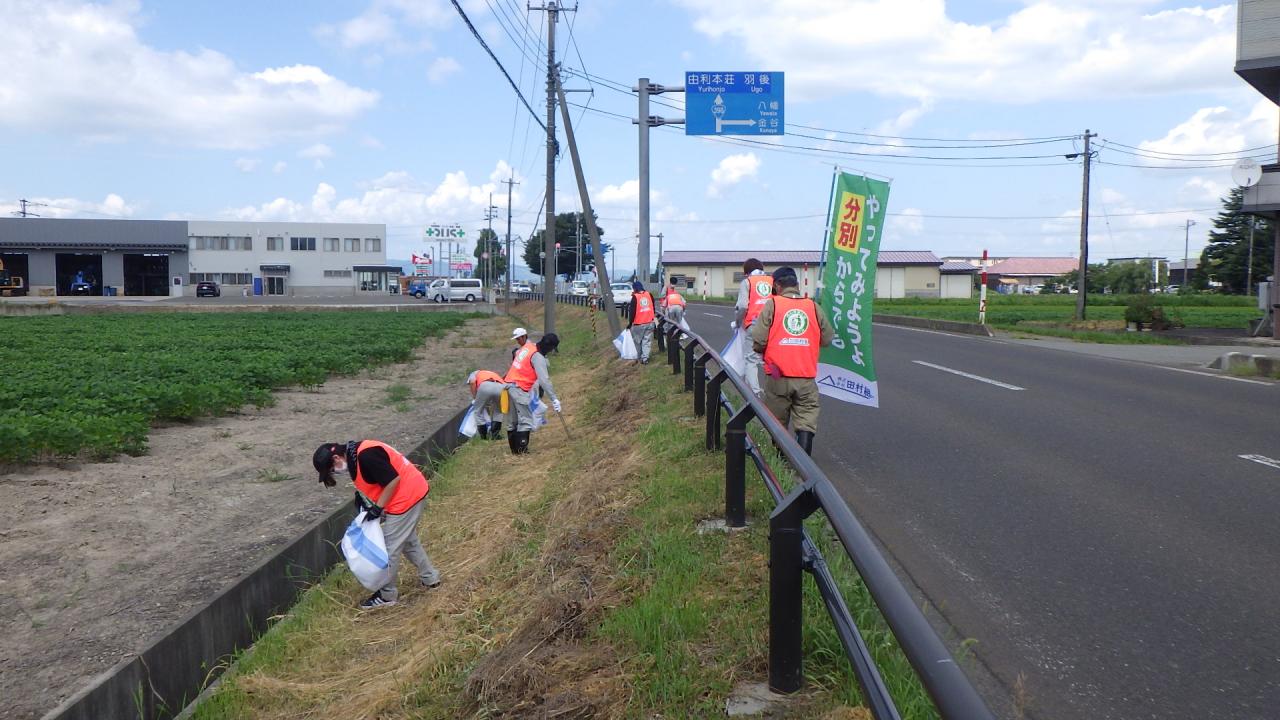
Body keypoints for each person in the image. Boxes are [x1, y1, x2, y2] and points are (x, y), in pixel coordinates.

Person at [313, 440, 441, 609]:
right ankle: (430, 578)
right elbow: (374, 480)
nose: (334, 473)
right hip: (409, 494)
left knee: (389, 549)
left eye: (331, 470)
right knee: (408, 541)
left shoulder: (366, 455)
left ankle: (387, 595)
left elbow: (393, 480)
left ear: (336, 457)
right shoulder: (354, 456)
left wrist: (377, 508)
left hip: (407, 498)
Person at [749, 266, 833, 455]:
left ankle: (780, 462)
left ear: (777, 285)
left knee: (777, 419)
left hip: (778, 375)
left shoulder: (773, 305)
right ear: (796, 284)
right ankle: (804, 461)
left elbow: (759, 339)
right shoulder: (812, 306)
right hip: (805, 375)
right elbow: (827, 338)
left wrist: (762, 349)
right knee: (806, 417)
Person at [503, 333, 561, 454]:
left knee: (512, 421)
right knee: (526, 420)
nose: (550, 352)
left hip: (508, 385)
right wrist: (554, 399)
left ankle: (515, 452)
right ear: (549, 347)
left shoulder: (529, 346)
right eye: (551, 349)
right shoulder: (537, 357)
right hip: (519, 388)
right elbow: (544, 380)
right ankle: (522, 451)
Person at [734, 258, 772, 396]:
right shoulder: (772, 281)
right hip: (772, 326)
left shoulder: (747, 282)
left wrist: (738, 323)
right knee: (770, 359)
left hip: (754, 324)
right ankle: (776, 391)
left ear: (747, 272)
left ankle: (754, 395)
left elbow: (742, 306)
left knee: (751, 359)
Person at [466, 369, 506, 439]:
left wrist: (475, 397)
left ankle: (484, 436)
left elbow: (472, 382)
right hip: (501, 387)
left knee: (478, 412)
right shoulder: (491, 372)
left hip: (485, 386)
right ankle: (495, 435)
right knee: (498, 411)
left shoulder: (474, 373)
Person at [627, 281, 656, 364]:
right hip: (650, 322)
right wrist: (655, 320)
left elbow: (632, 312)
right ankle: (645, 358)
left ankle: (639, 357)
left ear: (635, 288)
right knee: (647, 341)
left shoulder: (635, 297)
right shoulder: (649, 294)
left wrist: (630, 323)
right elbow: (653, 308)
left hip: (638, 323)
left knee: (637, 341)